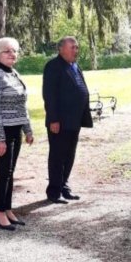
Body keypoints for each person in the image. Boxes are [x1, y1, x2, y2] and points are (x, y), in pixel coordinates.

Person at [0, 37, 34, 230]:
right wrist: (0, 139)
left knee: (10, 171)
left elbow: (22, 105)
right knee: (4, 172)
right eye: (7, 51)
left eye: (14, 51)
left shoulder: (14, 73)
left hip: (16, 128)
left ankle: (7, 208)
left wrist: (28, 130)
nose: (12, 54)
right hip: (3, 129)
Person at [42, 36, 93, 204]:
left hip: (74, 120)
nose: (75, 50)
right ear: (61, 49)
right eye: (72, 47)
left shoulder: (75, 66)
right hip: (59, 122)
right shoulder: (53, 66)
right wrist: (53, 120)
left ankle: (64, 187)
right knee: (57, 156)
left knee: (69, 155)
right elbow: (50, 96)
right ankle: (54, 192)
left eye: (77, 47)